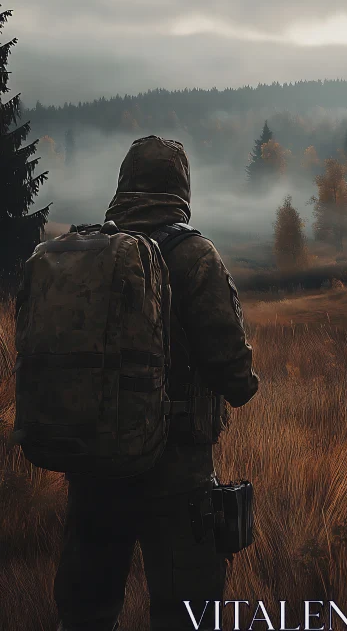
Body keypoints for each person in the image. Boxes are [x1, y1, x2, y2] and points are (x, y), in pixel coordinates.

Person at [54, 135, 259, 631]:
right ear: (180, 187)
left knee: (85, 614)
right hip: (177, 473)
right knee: (186, 616)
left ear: (124, 183)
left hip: (94, 465)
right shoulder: (195, 256)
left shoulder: (83, 252)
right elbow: (236, 377)